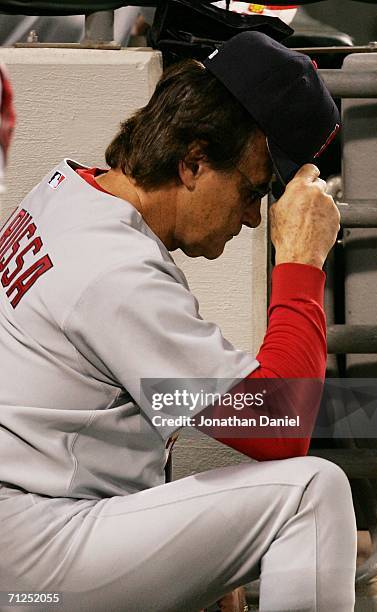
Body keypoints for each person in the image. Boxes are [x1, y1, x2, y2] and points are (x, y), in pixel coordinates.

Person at [0, 32, 356, 612]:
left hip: (30, 533)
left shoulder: (67, 194)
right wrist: (300, 262)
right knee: (312, 494)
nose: (251, 217)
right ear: (194, 160)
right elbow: (280, 426)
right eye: (254, 189)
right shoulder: (112, 269)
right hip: (31, 556)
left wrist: (207, 551)